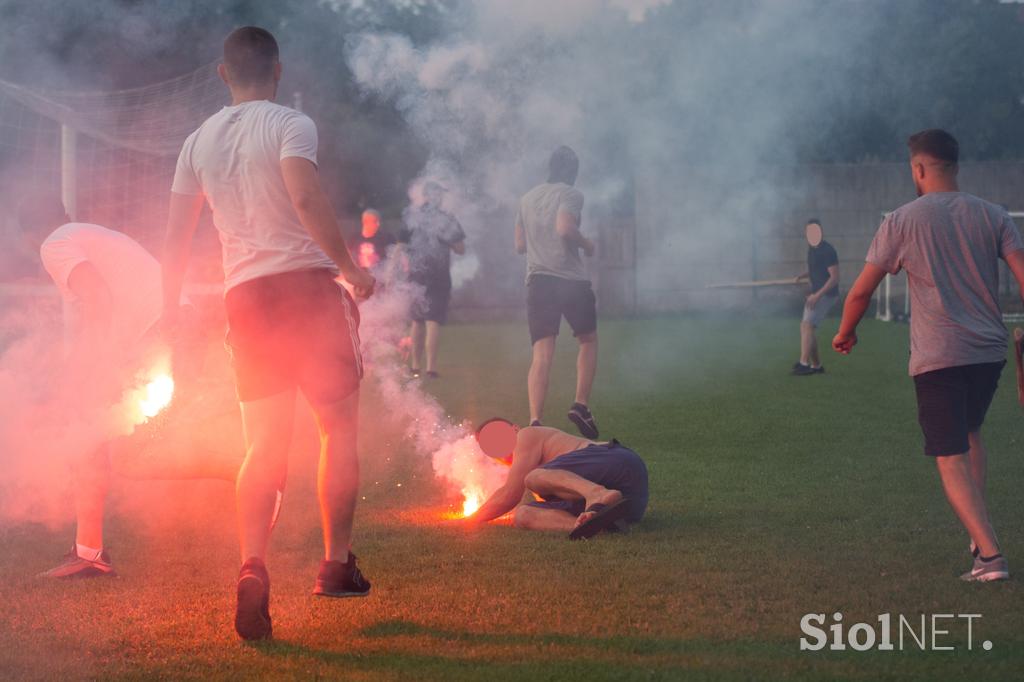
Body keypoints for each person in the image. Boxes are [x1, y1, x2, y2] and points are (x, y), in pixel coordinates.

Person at [161, 26, 376, 640]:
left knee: (263, 448)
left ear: (222, 73)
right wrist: (350, 270)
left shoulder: (196, 142)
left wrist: (167, 303)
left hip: (247, 300)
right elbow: (306, 198)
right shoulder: (290, 124)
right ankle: (336, 565)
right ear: (277, 71)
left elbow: (176, 234)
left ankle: (252, 563)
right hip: (306, 289)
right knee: (337, 430)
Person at [834, 129, 1024, 582]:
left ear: (918, 169)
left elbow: (861, 291)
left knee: (949, 454)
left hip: (940, 354)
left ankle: (991, 557)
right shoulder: (995, 215)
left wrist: (845, 333)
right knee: (971, 432)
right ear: (954, 166)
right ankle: (980, 536)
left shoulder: (902, 220)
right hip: (988, 353)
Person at [17, 197, 237, 579]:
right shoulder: (92, 234)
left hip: (159, 335)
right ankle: (90, 553)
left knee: (111, 445)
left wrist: (92, 363)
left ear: (29, 232)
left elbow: (100, 300)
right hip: (177, 331)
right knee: (116, 449)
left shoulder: (54, 243)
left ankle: (244, 465)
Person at [515, 146, 599, 437]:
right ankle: (581, 405)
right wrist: (586, 243)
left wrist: (541, 241)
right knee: (587, 341)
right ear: (573, 171)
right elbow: (565, 228)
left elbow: (519, 245)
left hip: (538, 281)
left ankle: (535, 421)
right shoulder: (571, 194)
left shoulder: (526, 198)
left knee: (542, 354)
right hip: (570, 280)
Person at [464, 420, 648, 538]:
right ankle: (591, 525)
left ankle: (597, 494)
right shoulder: (549, 476)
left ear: (514, 429)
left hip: (617, 460)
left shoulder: (526, 435)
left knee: (532, 478)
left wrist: (470, 520)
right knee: (523, 515)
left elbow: (510, 494)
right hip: (631, 502)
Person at [402, 181, 465, 378]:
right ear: (431, 195)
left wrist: (404, 268)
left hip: (417, 275)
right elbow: (461, 249)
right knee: (432, 321)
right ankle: (430, 368)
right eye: (439, 193)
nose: (441, 197)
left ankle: (415, 366)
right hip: (438, 276)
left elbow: (400, 246)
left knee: (417, 321)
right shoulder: (446, 219)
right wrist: (447, 240)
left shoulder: (413, 216)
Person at [792, 219, 840, 375]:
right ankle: (817, 366)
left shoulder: (828, 251)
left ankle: (804, 364)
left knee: (807, 326)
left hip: (826, 295)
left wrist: (817, 296)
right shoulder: (812, 249)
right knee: (807, 327)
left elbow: (834, 278)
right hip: (816, 294)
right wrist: (802, 275)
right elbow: (815, 268)